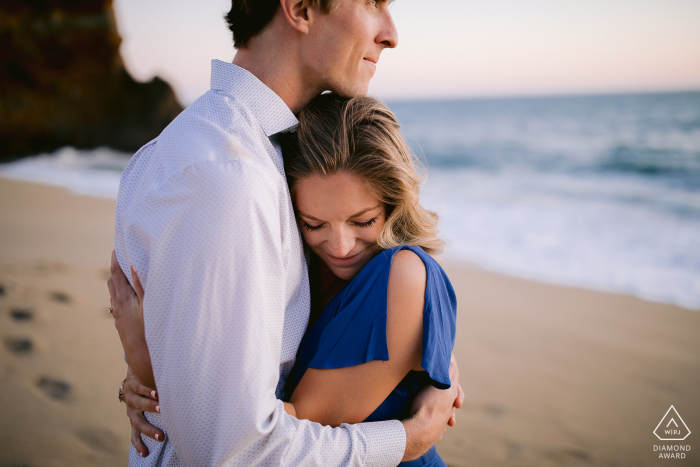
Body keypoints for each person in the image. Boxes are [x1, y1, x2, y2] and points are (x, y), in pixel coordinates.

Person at [108, 0, 463, 465]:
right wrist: (407, 438)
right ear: (299, 8)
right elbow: (236, 452)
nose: (391, 33)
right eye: (373, 3)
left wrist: (430, 355)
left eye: (360, 221)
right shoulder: (233, 177)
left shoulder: (193, 151)